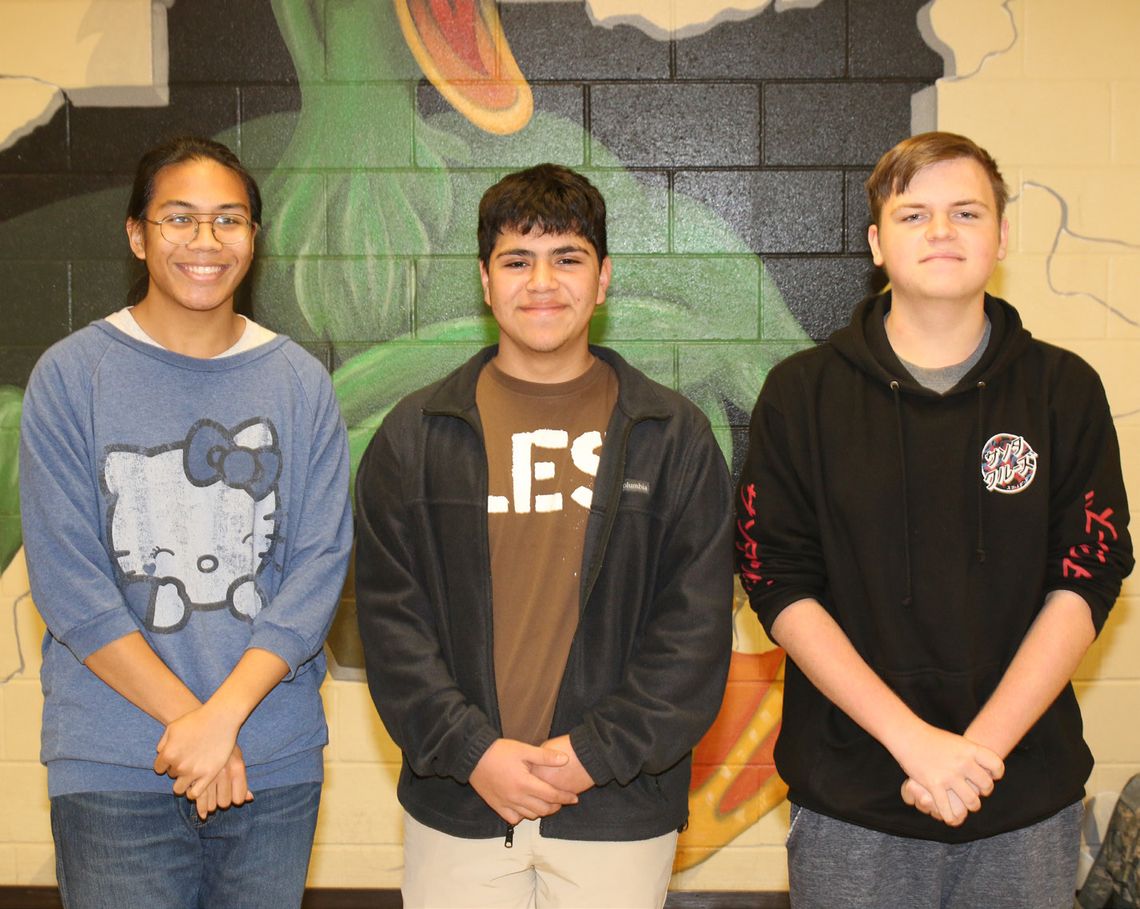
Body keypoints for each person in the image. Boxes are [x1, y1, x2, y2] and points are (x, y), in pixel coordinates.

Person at [736, 130, 1134, 909]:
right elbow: (776, 579)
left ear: (1001, 236)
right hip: (852, 798)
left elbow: (1087, 574)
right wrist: (914, 742)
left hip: (1022, 795)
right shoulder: (801, 394)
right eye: (914, 215)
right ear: (877, 243)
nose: (942, 231)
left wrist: (978, 752)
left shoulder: (1065, 390)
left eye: (966, 212)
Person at [354, 163, 733, 908]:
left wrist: (596, 752)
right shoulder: (415, 436)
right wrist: (474, 752)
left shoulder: (671, 435)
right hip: (461, 804)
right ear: (485, 281)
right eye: (517, 260)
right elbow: (393, 626)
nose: (543, 282)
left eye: (568, 258)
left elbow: (691, 630)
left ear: (603, 278)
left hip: (616, 806)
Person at [19, 136, 353, 909]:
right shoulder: (73, 376)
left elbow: (317, 567)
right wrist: (195, 726)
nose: (205, 241)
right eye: (179, 218)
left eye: (228, 220)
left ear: (254, 239)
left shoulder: (300, 384)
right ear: (136, 233)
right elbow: (71, 585)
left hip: (271, 758)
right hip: (113, 763)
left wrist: (226, 718)